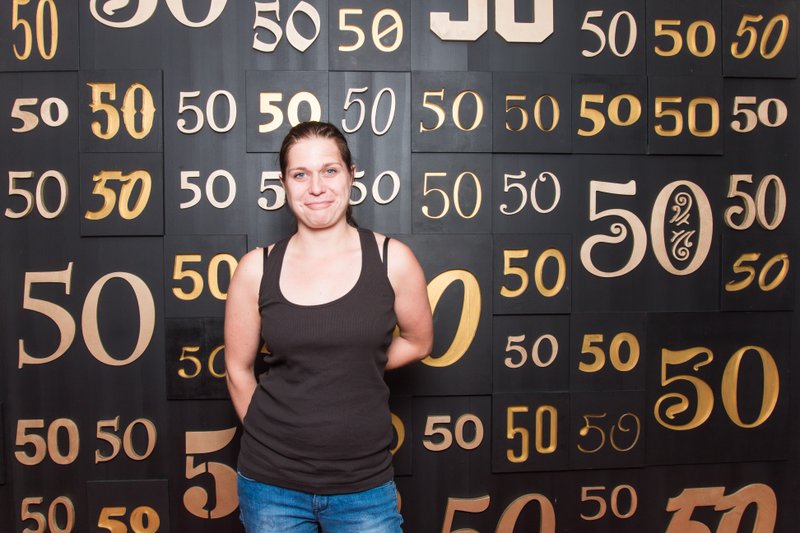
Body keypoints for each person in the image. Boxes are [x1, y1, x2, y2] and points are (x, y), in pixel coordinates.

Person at [224, 121, 434, 532]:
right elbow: (237, 368)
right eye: (300, 175)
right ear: (284, 184)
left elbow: (419, 341)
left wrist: (358, 363)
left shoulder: (393, 260)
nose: (316, 187)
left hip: (364, 486)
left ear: (351, 175)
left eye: (330, 171)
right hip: (270, 486)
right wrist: (270, 439)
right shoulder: (255, 269)